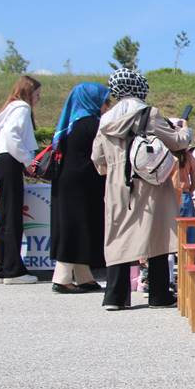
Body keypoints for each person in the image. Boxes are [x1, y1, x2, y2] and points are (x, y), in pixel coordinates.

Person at [91, 68, 191, 310]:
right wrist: (184, 128)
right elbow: (177, 141)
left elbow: (98, 158)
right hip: (149, 182)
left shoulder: (105, 120)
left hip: (117, 183)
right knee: (156, 233)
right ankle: (158, 294)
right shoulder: (148, 114)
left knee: (118, 235)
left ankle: (115, 296)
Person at [49, 82, 111, 293]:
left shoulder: (71, 123)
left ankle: (84, 276)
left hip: (67, 182)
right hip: (82, 184)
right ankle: (62, 277)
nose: (106, 106)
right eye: (104, 101)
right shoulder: (92, 124)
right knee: (76, 226)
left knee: (76, 225)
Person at [0, 75, 41, 284]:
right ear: (29, 92)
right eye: (37, 94)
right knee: (12, 217)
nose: (38, 99)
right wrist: (28, 160)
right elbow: (13, 136)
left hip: (2, 162)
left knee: (3, 217)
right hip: (11, 162)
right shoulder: (22, 108)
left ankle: (2, 266)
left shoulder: (9, 108)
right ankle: (13, 270)